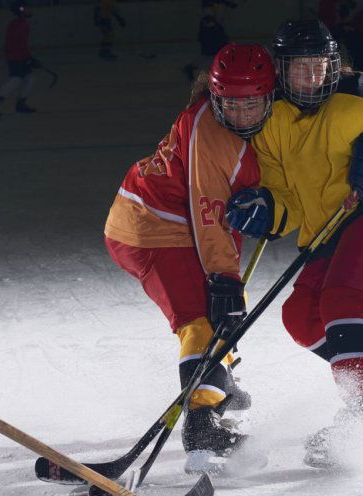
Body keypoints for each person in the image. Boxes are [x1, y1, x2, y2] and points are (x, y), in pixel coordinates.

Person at [225, 20, 363, 469]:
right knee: (302, 316)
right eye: (298, 69)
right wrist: (267, 209)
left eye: (319, 67)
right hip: (331, 226)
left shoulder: (358, 97)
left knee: (345, 299)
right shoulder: (271, 121)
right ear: (280, 72)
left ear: (333, 65)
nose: (311, 78)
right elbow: (286, 194)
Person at [104, 43, 275, 475]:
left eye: (252, 104)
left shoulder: (256, 123)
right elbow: (208, 217)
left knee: (224, 309)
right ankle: (202, 428)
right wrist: (223, 278)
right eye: (231, 105)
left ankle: (219, 383)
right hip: (153, 227)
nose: (241, 115)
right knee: (202, 317)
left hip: (178, 224)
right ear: (215, 98)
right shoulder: (212, 135)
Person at [0, 1, 38, 116]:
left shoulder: (19, 24)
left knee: (29, 77)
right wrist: (28, 58)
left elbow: (21, 44)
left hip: (17, 56)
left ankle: (20, 104)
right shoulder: (20, 25)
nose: (30, 10)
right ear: (22, 11)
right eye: (27, 8)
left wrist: (29, 58)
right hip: (15, 56)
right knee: (16, 79)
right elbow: (19, 44)